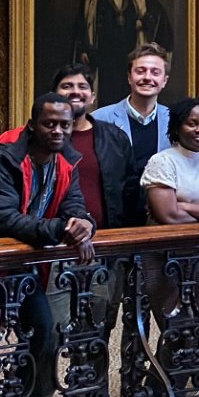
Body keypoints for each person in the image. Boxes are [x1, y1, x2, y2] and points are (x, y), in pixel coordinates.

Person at [0, 92, 96, 397]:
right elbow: (4, 218)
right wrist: (63, 229)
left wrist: (84, 226)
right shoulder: (2, 158)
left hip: (25, 268)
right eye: (50, 123)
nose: (57, 131)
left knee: (43, 331)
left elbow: (74, 205)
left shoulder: (65, 160)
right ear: (33, 125)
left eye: (64, 125)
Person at [140, 97, 199, 392]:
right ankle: (161, 392)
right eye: (192, 123)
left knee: (196, 322)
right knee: (173, 325)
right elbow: (167, 216)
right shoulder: (163, 161)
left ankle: (178, 387)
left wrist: (185, 204)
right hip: (165, 257)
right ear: (178, 126)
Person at [53, 63, 137, 339]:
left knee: (97, 331)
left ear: (92, 97)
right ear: (54, 94)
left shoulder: (114, 137)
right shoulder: (41, 138)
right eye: (67, 86)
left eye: (82, 87)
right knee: (51, 333)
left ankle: (94, 384)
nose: (74, 92)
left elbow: (128, 191)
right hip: (53, 248)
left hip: (103, 249)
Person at [73, 0, 172, 104]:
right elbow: (81, 25)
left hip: (129, 51)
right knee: (106, 92)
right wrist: (83, 49)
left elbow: (155, 16)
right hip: (104, 54)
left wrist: (144, 21)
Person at [92, 43, 172, 226]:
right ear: (129, 77)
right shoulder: (99, 119)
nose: (147, 77)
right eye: (140, 71)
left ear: (165, 80)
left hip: (160, 221)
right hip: (113, 218)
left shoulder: (176, 121)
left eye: (155, 72)